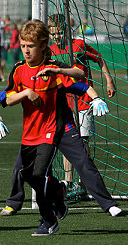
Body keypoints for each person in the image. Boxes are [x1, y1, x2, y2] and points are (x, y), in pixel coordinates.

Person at [0, 20, 101, 236]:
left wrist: (94, 95)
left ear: (42, 46)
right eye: (23, 46)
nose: (25, 50)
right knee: (23, 171)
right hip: (30, 135)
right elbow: (4, 96)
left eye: (30, 46)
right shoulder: (19, 70)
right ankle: (26, 200)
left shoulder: (53, 69)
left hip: (51, 130)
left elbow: (79, 78)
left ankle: (49, 214)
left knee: (37, 173)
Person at [48, 13, 115, 195]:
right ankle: (67, 182)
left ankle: (82, 182)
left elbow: (99, 58)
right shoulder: (51, 50)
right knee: (67, 142)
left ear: (67, 31)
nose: (57, 37)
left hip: (84, 102)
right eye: (53, 34)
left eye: (60, 33)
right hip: (63, 104)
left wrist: (109, 80)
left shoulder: (79, 45)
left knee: (83, 141)